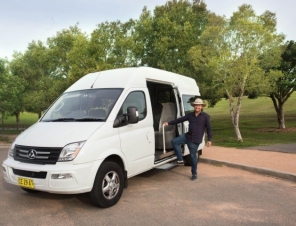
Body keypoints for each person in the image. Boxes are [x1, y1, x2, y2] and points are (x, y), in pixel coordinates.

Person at [163, 98, 212, 181]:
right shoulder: (190, 115)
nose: (197, 107)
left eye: (199, 105)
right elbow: (180, 120)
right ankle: (180, 159)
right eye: (196, 105)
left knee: (193, 157)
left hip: (195, 140)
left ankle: (194, 174)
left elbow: (209, 128)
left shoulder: (205, 116)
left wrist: (209, 139)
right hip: (187, 136)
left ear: (201, 107)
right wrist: (169, 123)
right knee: (174, 141)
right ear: (194, 106)